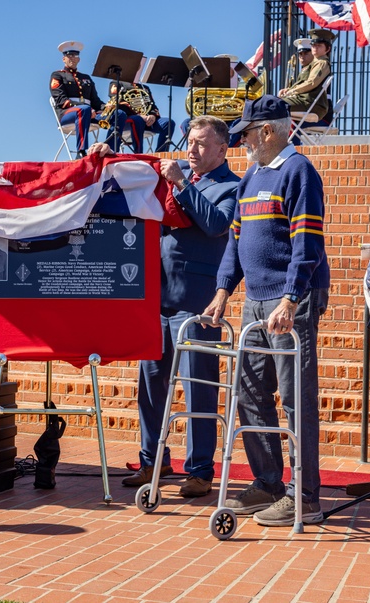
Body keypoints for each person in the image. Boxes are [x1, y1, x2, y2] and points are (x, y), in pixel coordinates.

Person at [96, 116, 240, 497]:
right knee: (150, 386)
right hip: (156, 301)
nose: (192, 150)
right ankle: (151, 462)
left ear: (223, 148)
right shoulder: (175, 180)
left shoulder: (231, 186)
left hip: (198, 305)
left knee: (199, 389)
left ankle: (199, 471)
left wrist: (179, 184)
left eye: (202, 144)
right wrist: (110, 164)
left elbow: (215, 224)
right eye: (190, 141)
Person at [203, 95, 330, 526]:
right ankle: (269, 482)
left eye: (246, 135)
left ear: (269, 132)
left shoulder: (299, 172)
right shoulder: (251, 176)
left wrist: (291, 300)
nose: (241, 143)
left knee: (296, 400)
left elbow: (306, 245)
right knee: (250, 392)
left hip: (289, 302)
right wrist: (223, 291)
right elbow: (235, 242)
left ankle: (305, 496)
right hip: (255, 302)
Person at [50, 41, 126, 155]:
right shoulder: (57, 75)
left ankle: (110, 150)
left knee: (118, 114)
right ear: (63, 59)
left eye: (75, 55)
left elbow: (95, 101)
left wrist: (106, 107)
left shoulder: (86, 78)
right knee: (84, 109)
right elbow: (60, 100)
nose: (72, 58)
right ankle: (81, 151)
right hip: (67, 114)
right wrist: (86, 108)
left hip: (90, 114)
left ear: (79, 59)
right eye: (69, 55)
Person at [279, 30, 333, 124]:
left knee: (272, 104)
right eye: (313, 45)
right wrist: (289, 90)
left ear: (327, 49)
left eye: (319, 45)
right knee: (271, 104)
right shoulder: (314, 64)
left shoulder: (322, 63)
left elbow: (311, 83)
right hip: (307, 103)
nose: (315, 48)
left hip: (311, 105)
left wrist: (291, 91)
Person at [107, 81, 177, 154]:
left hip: (147, 121)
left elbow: (152, 105)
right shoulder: (116, 83)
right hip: (128, 120)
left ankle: (161, 154)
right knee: (138, 120)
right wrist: (139, 115)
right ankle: (139, 153)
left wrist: (153, 115)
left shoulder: (145, 88)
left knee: (168, 123)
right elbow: (117, 103)